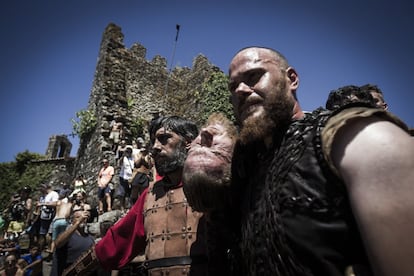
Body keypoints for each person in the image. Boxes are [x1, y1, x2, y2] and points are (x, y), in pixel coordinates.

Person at [221, 46, 413, 275]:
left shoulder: (353, 136)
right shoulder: (246, 167)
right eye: (233, 86)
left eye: (253, 76)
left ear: (291, 79)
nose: (241, 90)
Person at [62, 116, 208, 276]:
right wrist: (71, 273)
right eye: (153, 141)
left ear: (188, 141)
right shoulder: (151, 195)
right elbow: (115, 242)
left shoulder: (213, 185)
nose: (155, 147)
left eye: (164, 139)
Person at [50, 208, 95, 276]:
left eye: (83, 217)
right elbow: (58, 243)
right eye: (78, 217)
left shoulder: (90, 238)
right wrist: (78, 223)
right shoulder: (67, 235)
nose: (82, 219)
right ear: (72, 220)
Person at [36, 184, 59, 252]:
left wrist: (43, 204)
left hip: (51, 216)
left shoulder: (54, 194)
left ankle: (50, 249)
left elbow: (55, 203)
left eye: (41, 189)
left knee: (50, 234)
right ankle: (40, 250)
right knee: (42, 234)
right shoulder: (43, 196)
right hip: (43, 216)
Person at [117, 146, 134, 212]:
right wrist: (123, 155)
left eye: (129, 152)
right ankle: (122, 208)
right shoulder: (123, 158)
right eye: (127, 151)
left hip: (131, 178)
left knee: (131, 193)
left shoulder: (133, 159)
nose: (128, 153)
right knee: (122, 193)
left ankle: (131, 207)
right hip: (123, 178)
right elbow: (119, 164)